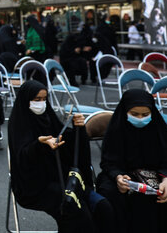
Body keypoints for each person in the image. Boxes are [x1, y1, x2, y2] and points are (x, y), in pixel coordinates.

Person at [8, 81, 115, 233]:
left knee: (102, 207)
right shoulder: (19, 123)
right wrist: (39, 144)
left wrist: (79, 128)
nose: (41, 103)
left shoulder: (48, 116)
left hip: (63, 178)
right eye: (36, 100)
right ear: (26, 100)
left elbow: (68, 140)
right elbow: (22, 157)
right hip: (34, 186)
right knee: (77, 213)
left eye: (44, 99)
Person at [96, 89, 167, 233]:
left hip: (157, 174)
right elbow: (108, 162)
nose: (140, 118)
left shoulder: (160, 131)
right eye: (135, 114)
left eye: (145, 114)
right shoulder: (117, 130)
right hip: (123, 174)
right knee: (110, 195)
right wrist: (118, 177)